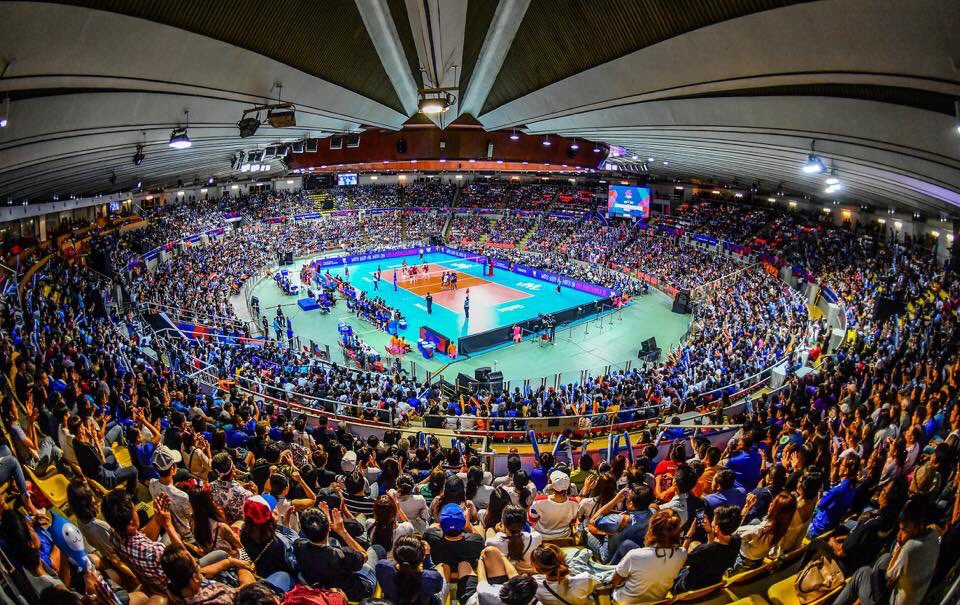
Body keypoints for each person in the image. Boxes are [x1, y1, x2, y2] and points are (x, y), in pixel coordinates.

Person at [833, 497, 940, 605]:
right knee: (885, 558)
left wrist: (900, 543)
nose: (899, 534)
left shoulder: (911, 547)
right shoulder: (933, 535)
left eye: (904, 530)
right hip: (912, 598)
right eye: (900, 528)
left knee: (861, 574)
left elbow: (890, 576)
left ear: (920, 527)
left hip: (890, 602)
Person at [296, 505, 377, 602]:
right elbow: (364, 555)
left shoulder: (298, 546)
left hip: (321, 588)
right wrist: (342, 531)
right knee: (377, 549)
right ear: (329, 528)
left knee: (332, 541)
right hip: (354, 592)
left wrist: (326, 524)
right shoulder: (344, 554)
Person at [611, 509, 687, 604]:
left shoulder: (634, 555)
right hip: (657, 601)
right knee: (627, 545)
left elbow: (614, 581)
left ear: (651, 530)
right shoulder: (682, 554)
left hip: (624, 601)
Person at [675, 505, 742, 592]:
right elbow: (714, 550)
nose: (712, 522)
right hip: (714, 583)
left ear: (717, 528)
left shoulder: (703, 550)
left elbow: (680, 560)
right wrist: (710, 531)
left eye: (713, 520)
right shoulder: (737, 541)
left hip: (689, 587)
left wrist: (688, 535)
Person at [375, 535, 446, 605]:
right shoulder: (432, 579)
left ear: (394, 554)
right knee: (442, 567)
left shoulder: (382, 567)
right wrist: (427, 557)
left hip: (392, 601)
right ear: (422, 557)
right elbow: (437, 585)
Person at [531, 543, 597, 605]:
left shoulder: (533, 586)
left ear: (537, 569)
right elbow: (599, 589)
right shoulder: (585, 578)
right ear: (563, 557)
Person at [423, 503, 484, 569]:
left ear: (441, 524)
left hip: (439, 572)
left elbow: (435, 527)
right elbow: (480, 540)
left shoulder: (429, 536)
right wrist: (468, 524)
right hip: (466, 574)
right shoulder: (476, 541)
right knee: (479, 528)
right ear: (464, 523)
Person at [485, 505, 542, 572]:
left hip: (504, 576)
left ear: (502, 521)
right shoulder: (536, 537)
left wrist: (500, 533)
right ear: (525, 522)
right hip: (529, 574)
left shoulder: (491, 542)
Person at [528, 470, 578, 538]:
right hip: (564, 537)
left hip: (542, 537)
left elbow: (531, 519)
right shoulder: (574, 503)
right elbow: (572, 521)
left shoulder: (539, 500)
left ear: (551, 485)